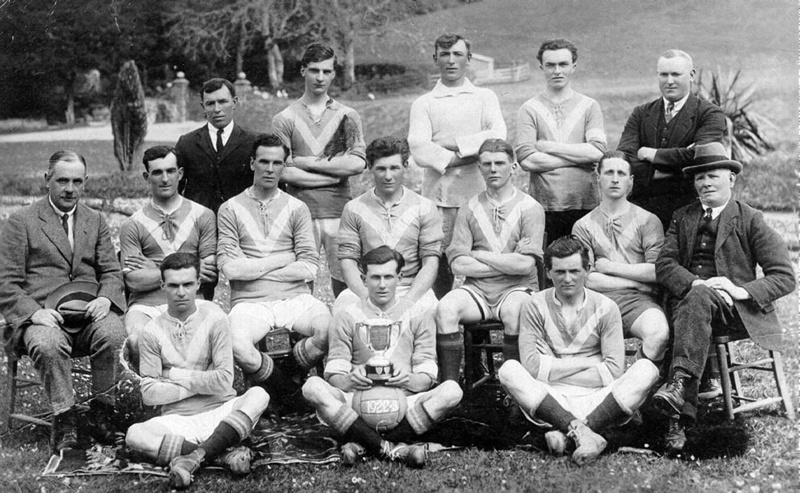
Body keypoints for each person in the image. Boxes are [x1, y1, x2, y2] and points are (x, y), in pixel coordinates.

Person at [652, 142, 795, 454]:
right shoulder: (683, 217)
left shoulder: (750, 219)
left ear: (731, 179)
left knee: (695, 304)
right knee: (695, 300)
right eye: (699, 177)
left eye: (713, 176)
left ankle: (677, 399)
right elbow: (664, 265)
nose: (705, 183)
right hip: (689, 303)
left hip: (734, 309)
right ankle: (680, 395)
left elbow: (784, 276)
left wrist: (737, 289)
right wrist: (695, 283)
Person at [0, 150, 126, 451]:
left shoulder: (95, 220)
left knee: (114, 333)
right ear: (47, 180)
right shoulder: (21, 222)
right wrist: (33, 314)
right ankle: (66, 419)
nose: (70, 189)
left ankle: (101, 415)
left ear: (85, 182)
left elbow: (111, 270)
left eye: (77, 181)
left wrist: (106, 298)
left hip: (87, 312)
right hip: (44, 316)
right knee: (46, 343)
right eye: (62, 181)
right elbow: (5, 282)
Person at [498, 236, 660, 465]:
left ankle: (569, 432)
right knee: (509, 370)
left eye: (574, 271)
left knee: (646, 369)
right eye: (559, 272)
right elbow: (533, 368)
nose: (567, 279)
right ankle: (586, 434)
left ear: (587, 270)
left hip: (598, 397)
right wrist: (591, 362)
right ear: (548, 272)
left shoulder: (606, 307)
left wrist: (552, 362)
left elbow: (613, 371)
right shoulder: (534, 305)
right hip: (550, 396)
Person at [302, 246, 463, 467]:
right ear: (363, 278)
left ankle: (366, 444)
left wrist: (405, 378)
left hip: (405, 401)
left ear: (400, 277)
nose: (382, 284)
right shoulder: (346, 315)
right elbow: (335, 376)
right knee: (312, 386)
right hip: (358, 399)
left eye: (388, 277)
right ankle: (395, 448)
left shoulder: (418, 314)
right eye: (375, 277)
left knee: (452, 390)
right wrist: (352, 379)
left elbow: (426, 379)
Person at [124, 252, 270, 489]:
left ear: (198, 284)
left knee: (259, 395)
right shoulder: (151, 331)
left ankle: (194, 458)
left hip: (221, 410)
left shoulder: (215, 318)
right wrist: (198, 384)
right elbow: (149, 394)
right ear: (162, 286)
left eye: (187, 284)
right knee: (135, 435)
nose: (181, 292)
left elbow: (224, 381)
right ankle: (220, 454)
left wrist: (174, 377)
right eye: (173, 285)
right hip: (178, 420)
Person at [217, 134, 331, 401]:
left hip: (295, 298)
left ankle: (288, 372)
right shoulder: (230, 209)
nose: (270, 169)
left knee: (329, 328)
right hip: (250, 302)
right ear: (251, 163)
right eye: (264, 161)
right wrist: (282, 259)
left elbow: (309, 268)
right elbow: (232, 271)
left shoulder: (297, 208)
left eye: (277, 163)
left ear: (284, 166)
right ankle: (287, 390)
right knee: (236, 343)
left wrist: (253, 267)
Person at [435, 139, 545, 382]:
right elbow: (458, 264)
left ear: (513, 166)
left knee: (516, 310)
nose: (493, 169)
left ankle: (515, 389)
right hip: (477, 291)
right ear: (479, 168)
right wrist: (507, 261)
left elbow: (525, 266)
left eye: (500, 163)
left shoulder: (531, 208)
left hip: (518, 288)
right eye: (486, 164)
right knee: (445, 308)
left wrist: (478, 254)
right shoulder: (468, 209)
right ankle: (450, 388)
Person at [408, 32, 507, 298]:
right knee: (438, 258)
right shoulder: (424, 103)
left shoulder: (485, 97)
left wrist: (447, 142)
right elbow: (418, 147)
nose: (451, 61)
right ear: (435, 58)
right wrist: (466, 153)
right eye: (445, 54)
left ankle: (481, 320)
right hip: (439, 196)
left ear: (469, 59)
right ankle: (441, 324)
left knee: (483, 255)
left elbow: (497, 135)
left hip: (479, 192)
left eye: (458, 54)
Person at [272, 42, 367, 298]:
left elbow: (357, 163)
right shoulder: (285, 118)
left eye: (327, 71)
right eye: (314, 70)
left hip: (340, 209)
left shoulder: (348, 115)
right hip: (301, 210)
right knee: (302, 279)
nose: (320, 77)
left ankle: (345, 330)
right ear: (303, 71)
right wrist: (334, 175)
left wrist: (306, 162)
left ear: (334, 73)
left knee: (347, 277)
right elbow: (283, 172)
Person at [119, 146, 217, 360]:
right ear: (147, 176)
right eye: (157, 172)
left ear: (180, 173)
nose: (165, 179)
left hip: (192, 302)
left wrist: (157, 267)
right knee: (139, 340)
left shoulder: (203, 216)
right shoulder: (133, 224)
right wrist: (191, 266)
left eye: (170, 171)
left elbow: (209, 271)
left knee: (213, 332)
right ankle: (152, 390)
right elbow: (134, 282)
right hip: (146, 306)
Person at [571, 151, 668, 365]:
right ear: (598, 178)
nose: (615, 179)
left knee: (658, 333)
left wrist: (608, 267)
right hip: (594, 300)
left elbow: (655, 271)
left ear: (630, 181)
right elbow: (587, 279)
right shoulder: (583, 225)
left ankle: (636, 386)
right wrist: (636, 282)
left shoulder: (648, 221)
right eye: (609, 172)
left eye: (621, 173)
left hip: (638, 301)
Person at [617, 49, 726, 229]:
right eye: (663, 75)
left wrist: (650, 154)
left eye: (676, 74)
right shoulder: (641, 113)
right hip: (641, 207)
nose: (669, 81)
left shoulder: (710, 114)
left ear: (691, 75)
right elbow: (624, 158)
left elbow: (700, 156)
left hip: (688, 209)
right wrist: (673, 166)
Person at [335, 137, 442, 315]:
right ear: (370, 167)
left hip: (409, 287)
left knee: (432, 313)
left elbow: (430, 262)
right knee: (342, 311)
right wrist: (365, 299)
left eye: (394, 168)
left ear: (406, 166)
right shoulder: (354, 208)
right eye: (381, 169)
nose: (388, 176)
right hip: (368, 287)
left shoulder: (425, 207)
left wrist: (408, 301)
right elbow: (348, 261)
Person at [516, 38, 607, 245]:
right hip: (544, 205)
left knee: (584, 266)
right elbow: (527, 160)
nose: (557, 70)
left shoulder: (589, 106)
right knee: (549, 267)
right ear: (541, 67)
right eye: (550, 65)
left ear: (573, 66)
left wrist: (549, 147)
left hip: (585, 202)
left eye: (563, 64)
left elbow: (597, 152)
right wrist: (579, 159)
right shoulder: (529, 109)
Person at [176, 78, 260, 215]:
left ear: (234, 102)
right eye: (210, 104)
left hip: (242, 223)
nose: (217, 109)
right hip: (199, 225)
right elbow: (175, 189)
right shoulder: (187, 143)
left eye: (222, 102)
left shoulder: (254, 142)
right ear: (203, 106)